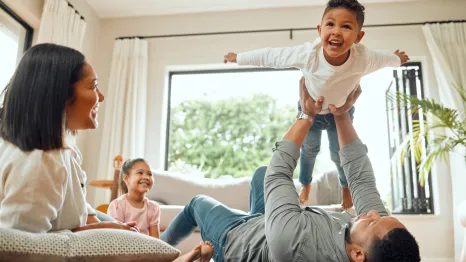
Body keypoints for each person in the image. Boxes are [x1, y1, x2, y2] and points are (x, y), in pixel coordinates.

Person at [161, 78, 420, 262]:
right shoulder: (371, 239)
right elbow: (361, 178)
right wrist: (342, 116)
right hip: (268, 227)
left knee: (197, 203)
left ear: (357, 254)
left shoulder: (295, 248)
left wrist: (306, 115)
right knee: (260, 174)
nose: (372, 213)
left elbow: (279, 172)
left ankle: (160, 250)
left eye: (372, 220)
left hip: (235, 239)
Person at [0, 43, 214, 262]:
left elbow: (78, 208)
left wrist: (104, 225)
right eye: (93, 86)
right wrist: (106, 234)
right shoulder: (40, 161)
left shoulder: (64, 150)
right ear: (61, 94)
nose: (101, 97)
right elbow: (21, 249)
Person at [223, 0, 410, 209]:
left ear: (358, 37)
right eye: (330, 24)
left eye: (346, 27)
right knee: (309, 150)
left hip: (339, 113)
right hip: (311, 112)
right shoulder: (308, 54)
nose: (337, 32)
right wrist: (239, 57)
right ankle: (305, 183)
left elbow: (383, 59)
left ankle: (345, 188)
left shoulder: (363, 58)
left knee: (338, 154)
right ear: (320, 30)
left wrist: (397, 59)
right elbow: (271, 56)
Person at [108, 158, 161, 238]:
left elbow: (156, 241)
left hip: (146, 249)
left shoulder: (153, 208)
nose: (146, 177)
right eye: (140, 173)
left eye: (149, 174)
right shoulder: (117, 205)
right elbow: (115, 237)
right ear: (126, 179)